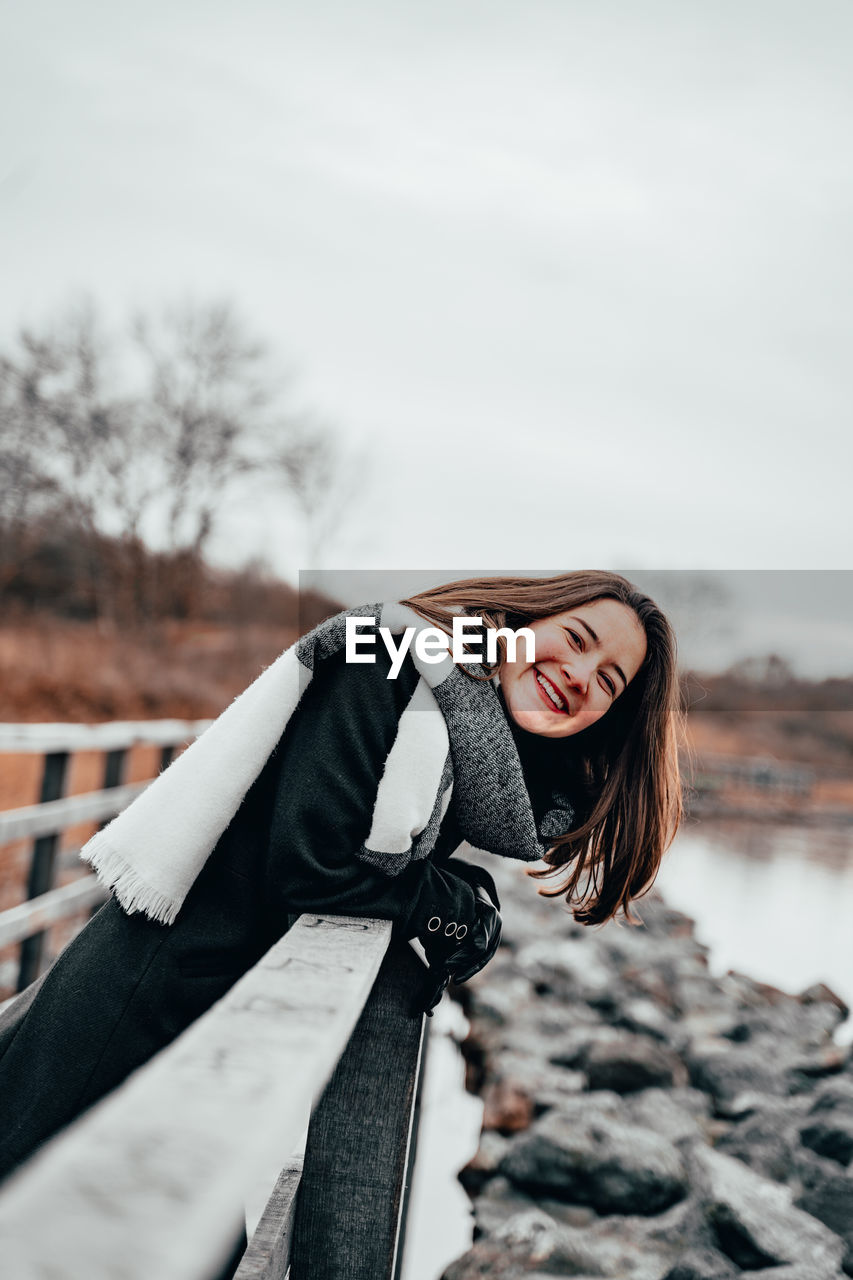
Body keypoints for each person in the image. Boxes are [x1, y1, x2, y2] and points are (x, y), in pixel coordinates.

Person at [0, 571, 682, 1182]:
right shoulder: (385, 662)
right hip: (148, 999)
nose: (579, 673)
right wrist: (452, 906)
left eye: (608, 682)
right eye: (577, 638)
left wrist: (456, 890)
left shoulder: (454, 731)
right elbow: (316, 868)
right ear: (515, 624)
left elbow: (374, 851)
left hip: (224, 1026)